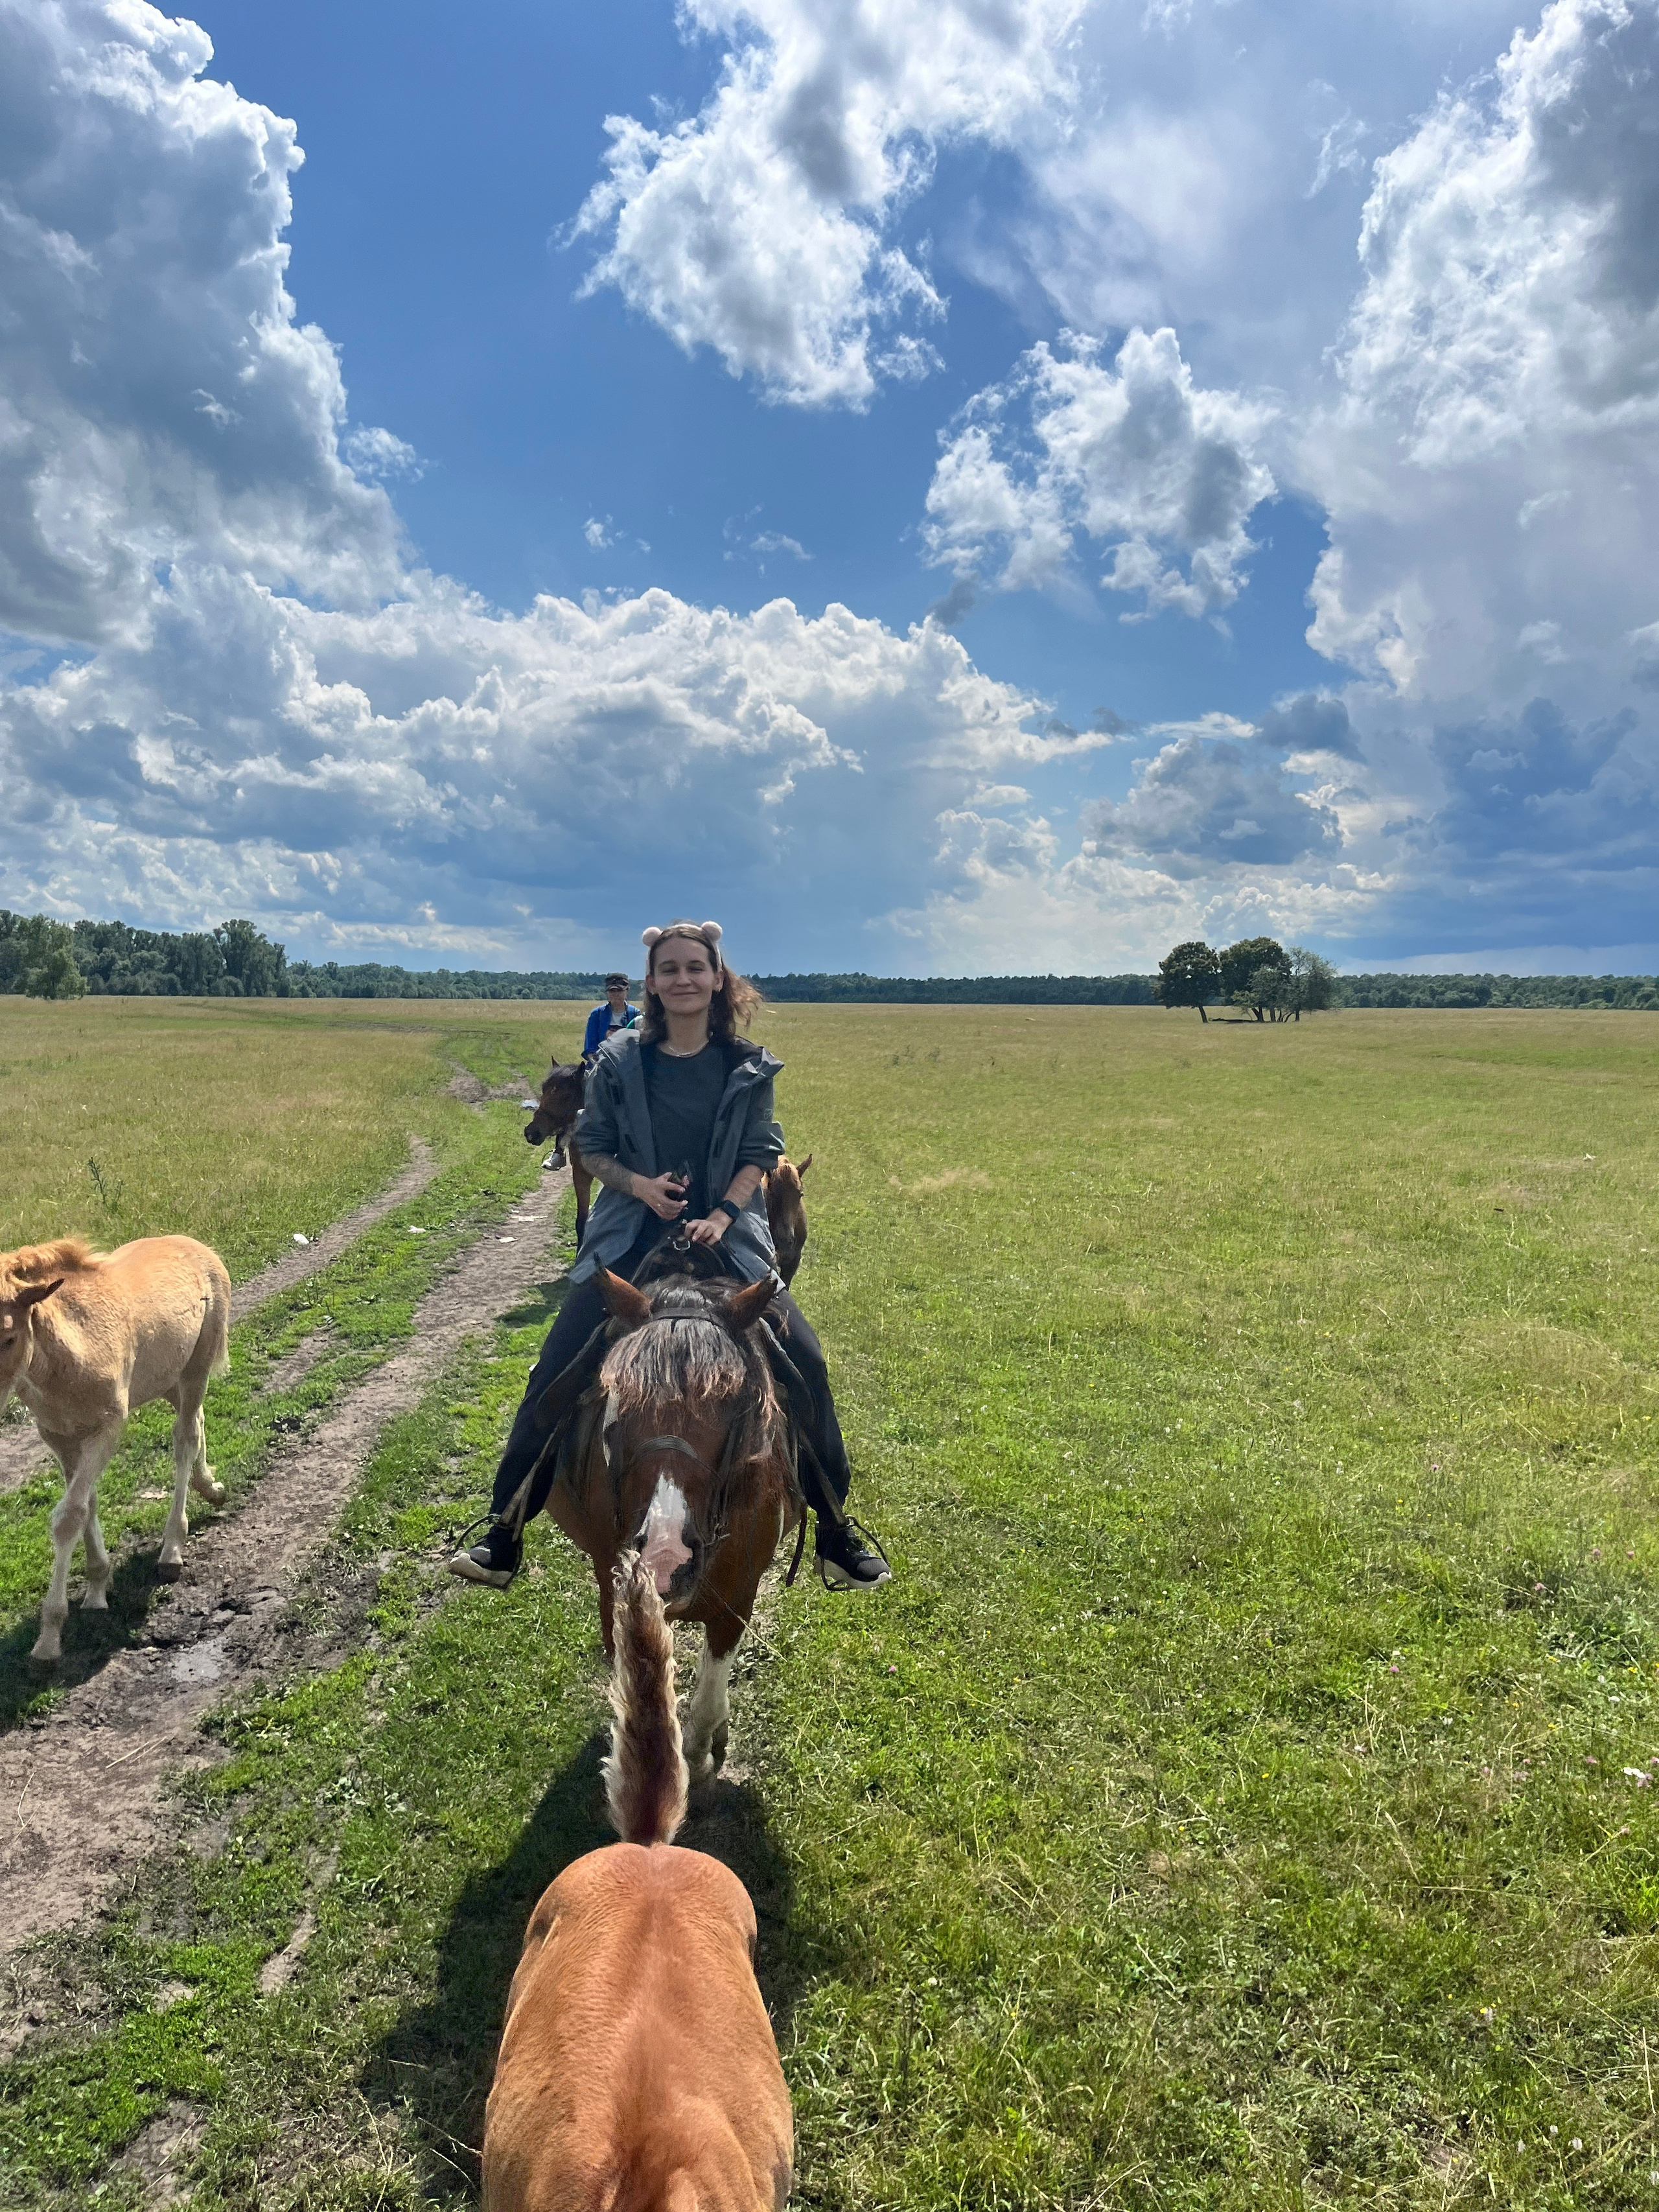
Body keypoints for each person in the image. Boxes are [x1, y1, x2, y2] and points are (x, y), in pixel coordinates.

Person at [448, 918, 890, 1593]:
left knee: (807, 1361)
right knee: (556, 1365)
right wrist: (640, 1187)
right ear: (651, 984)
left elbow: (758, 1152)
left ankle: (834, 1526)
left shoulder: (748, 1065)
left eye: (695, 966)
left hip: (728, 1238)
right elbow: (590, 1146)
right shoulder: (618, 1062)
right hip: (632, 1236)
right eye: (669, 968)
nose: (682, 978)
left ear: (718, 978)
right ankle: (503, 1526)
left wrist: (721, 1212)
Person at [581, 972, 638, 1063]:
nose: (615, 995)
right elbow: (590, 1049)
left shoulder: (635, 1015)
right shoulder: (597, 1015)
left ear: (627, 991)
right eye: (612, 991)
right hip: (600, 1065)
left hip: (629, 1066)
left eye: (619, 991)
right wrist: (600, 1067)